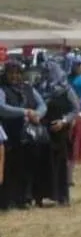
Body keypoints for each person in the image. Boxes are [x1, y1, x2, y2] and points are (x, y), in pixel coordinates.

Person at [0, 59, 46, 211]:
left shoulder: (28, 88)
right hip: (10, 135)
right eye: (11, 73)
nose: (14, 76)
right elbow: (2, 108)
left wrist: (37, 114)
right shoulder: (2, 89)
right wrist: (24, 112)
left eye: (17, 73)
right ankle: (10, 199)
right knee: (11, 168)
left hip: (30, 136)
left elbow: (42, 104)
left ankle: (26, 197)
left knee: (28, 167)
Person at [37, 62, 81, 207]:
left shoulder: (66, 89)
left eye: (49, 71)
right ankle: (41, 196)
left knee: (60, 164)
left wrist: (63, 121)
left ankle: (62, 196)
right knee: (43, 163)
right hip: (43, 131)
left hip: (60, 132)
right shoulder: (40, 88)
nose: (46, 74)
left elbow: (75, 109)